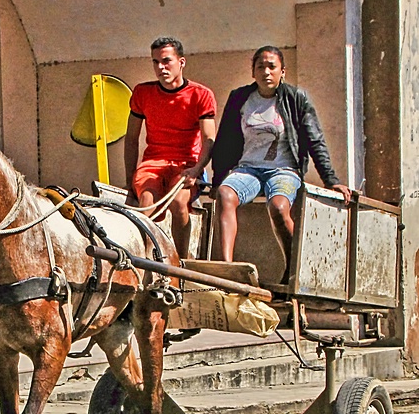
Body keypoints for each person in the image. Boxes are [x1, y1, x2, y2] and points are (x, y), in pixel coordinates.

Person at [212, 45, 352, 267]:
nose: (266, 72)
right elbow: (225, 140)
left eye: (271, 67)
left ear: (282, 72)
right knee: (225, 194)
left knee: (278, 207)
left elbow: (315, 140)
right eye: (260, 67)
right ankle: (227, 266)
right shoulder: (240, 98)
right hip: (248, 169)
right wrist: (218, 178)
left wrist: (331, 180)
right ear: (253, 72)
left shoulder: (297, 99)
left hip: (284, 169)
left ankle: (295, 266)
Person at [124, 36, 217, 258]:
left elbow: (209, 138)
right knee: (145, 204)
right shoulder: (142, 93)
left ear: (181, 62)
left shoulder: (200, 94)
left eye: (166, 61)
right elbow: (131, 138)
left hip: (187, 164)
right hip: (153, 163)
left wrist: (197, 170)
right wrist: (130, 182)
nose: (160, 67)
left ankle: (181, 262)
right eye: (155, 62)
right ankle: (144, 261)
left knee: (178, 203)